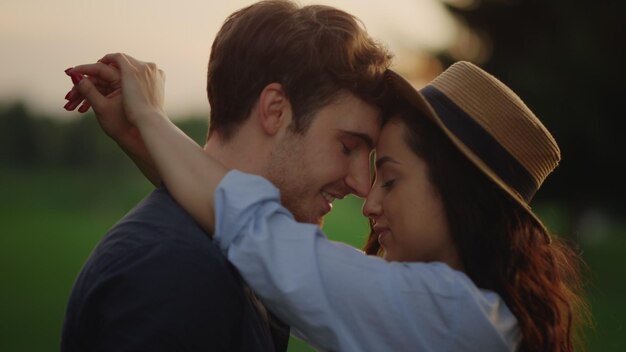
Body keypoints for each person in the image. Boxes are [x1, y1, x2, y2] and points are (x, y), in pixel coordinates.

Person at [68, 52, 589, 351]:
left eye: (389, 178)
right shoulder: (468, 316)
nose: (367, 201)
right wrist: (144, 139)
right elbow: (265, 257)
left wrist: (151, 118)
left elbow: (265, 244)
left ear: (458, 196)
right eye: (349, 148)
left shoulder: (456, 318)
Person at [60, 1, 392, 351]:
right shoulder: (170, 271)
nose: (361, 184)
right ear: (275, 110)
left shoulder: (233, 258)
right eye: (347, 146)